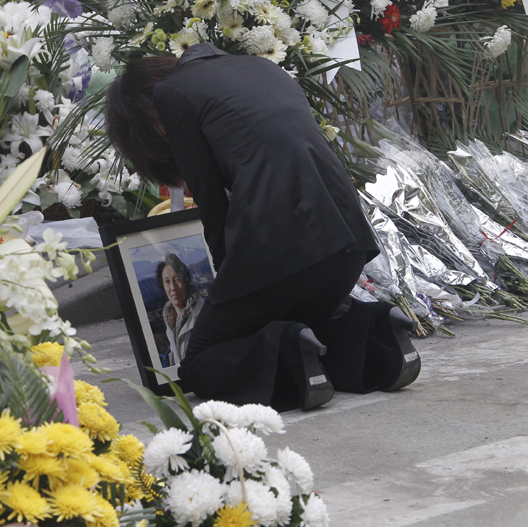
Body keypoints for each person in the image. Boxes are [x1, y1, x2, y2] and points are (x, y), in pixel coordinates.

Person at [106, 43, 421, 411]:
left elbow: (211, 202)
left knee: (198, 365)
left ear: (145, 116)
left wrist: (229, 282)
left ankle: (289, 350)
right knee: (302, 320)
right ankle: (378, 330)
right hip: (347, 237)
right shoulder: (261, 65)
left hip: (277, 244)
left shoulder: (171, 94)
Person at [156, 253, 204, 366]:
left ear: (185, 281)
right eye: (167, 281)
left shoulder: (202, 314)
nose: (172, 288)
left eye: (176, 280)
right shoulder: (170, 320)